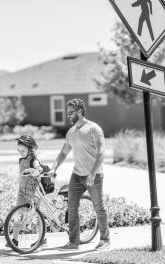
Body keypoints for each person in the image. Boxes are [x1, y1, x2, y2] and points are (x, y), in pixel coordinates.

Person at [49, 98, 110, 251]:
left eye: (70, 112)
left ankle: (105, 240)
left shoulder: (93, 129)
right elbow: (63, 152)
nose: (68, 115)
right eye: (67, 112)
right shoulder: (71, 132)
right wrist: (53, 167)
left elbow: (101, 153)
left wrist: (92, 173)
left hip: (93, 176)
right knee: (72, 206)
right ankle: (73, 242)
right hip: (76, 175)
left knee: (99, 207)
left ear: (80, 111)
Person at [6, 135, 48, 248]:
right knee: (17, 214)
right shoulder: (21, 159)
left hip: (33, 192)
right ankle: (14, 240)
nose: (20, 152)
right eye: (18, 150)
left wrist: (37, 170)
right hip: (22, 191)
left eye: (23, 150)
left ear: (30, 149)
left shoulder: (34, 160)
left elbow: (38, 167)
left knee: (36, 216)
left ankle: (42, 239)